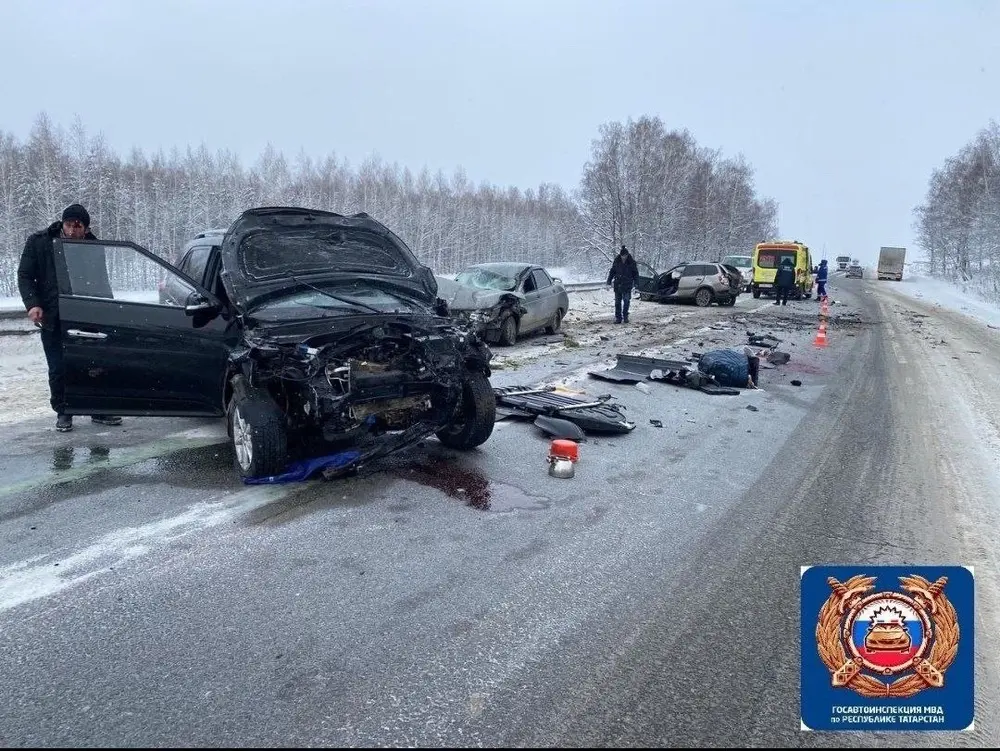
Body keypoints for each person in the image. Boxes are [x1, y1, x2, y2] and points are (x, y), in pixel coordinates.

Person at [17, 203, 123, 433]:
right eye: (69, 225)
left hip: (88, 315)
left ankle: (98, 409)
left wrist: (109, 310)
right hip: (54, 316)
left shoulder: (93, 246)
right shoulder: (40, 242)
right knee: (58, 367)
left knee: (94, 366)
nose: (73, 231)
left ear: (85, 228)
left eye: (78, 226)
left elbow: (100, 280)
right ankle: (64, 412)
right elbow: (25, 275)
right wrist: (33, 305)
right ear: (62, 224)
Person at [606, 244, 639, 323]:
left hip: (627, 285)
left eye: (625, 256)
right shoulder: (616, 261)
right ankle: (618, 318)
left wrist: (636, 285)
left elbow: (636, 274)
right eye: (622, 256)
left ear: (627, 255)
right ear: (620, 255)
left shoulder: (632, 262)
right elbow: (612, 272)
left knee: (626, 301)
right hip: (618, 284)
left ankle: (625, 316)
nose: (623, 258)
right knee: (617, 302)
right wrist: (609, 282)